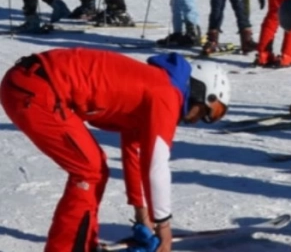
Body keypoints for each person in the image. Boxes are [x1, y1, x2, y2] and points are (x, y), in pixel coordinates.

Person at [0, 47, 231, 252]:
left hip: (30, 83)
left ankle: (80, 242)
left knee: (94, 167)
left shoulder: (157, 85)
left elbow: (133, 151)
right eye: (207, 111)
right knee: (90, 170)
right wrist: (164, 225)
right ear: (201, 90)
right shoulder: (166, 94)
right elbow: (156, 165)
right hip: (35, 89)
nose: (198, 119)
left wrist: (142, 215)